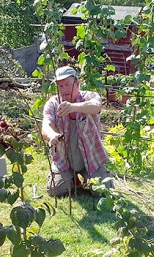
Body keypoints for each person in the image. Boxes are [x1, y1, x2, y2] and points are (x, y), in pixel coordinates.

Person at [41, 66, 113, 196]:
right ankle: (72, 179)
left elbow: (96, 107)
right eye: (60, 86)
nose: (64, 89)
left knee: (104, 190)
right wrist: (52, 135)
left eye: (67, 84)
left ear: (77, 84)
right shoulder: (53, 103)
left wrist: (73, 107)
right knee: (55, 190)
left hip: (91, 160)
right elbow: (46, 124)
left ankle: (87, 177)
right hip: (64, 161)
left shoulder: (90, 97)